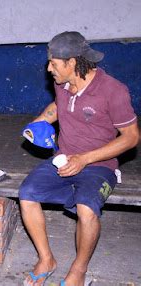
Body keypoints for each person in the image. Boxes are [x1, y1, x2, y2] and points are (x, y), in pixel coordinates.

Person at [19, 31, 139, 286]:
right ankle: (46, 259)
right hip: (63, 158)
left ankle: (79, 271)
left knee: (86, 208)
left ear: (72, 62)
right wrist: (37, 124)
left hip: (99, 165)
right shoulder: (62, 84)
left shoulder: (112, 91)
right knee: (27, 193)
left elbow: (131, 138)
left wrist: (84, 159)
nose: (49, 68)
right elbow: (56, 108)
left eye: (53, 62)